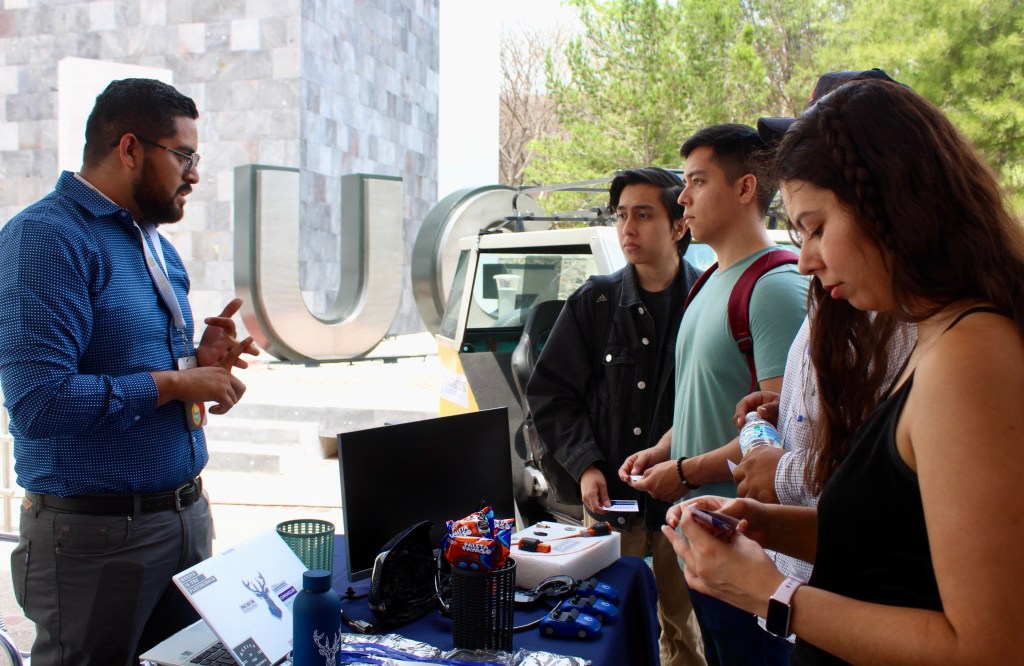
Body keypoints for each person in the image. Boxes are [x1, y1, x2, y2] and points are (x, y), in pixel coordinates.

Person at [664, 78, 1024, 664]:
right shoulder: (941, 341)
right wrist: (766, 524)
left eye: (817, 227)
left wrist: (770, 593)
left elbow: (991, 645)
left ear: (891, 205)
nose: (805, 258)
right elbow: (905, 544)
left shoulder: (970, 358)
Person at [0, 78, 258, 665]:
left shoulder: (156, 247)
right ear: (130, 149)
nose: (194, 174)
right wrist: (175, 383)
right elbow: (40, 403)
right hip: (96, 541)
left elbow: (138, 375)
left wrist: (196, 361)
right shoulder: (47, 239)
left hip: (182, 520)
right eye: (184, 155)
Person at [622, 125, 807, 665]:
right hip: (703, 542)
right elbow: (705, 401)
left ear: (747, 188)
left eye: (698, 182)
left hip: (752, 546)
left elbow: (780, 434)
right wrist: (663, 449)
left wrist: (683, 472)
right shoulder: (708, 281)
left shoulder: (775, 287)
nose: (683, 198)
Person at [528, 167, 706, 666]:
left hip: (686, 501)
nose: (628, 227)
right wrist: (585, 464)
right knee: (603, 627)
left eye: (644, 215)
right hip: (609, 500)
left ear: (678, 226)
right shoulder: (595, 302)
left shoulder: (707, 302)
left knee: (687, 635)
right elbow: (551, 393)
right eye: (622, 215)